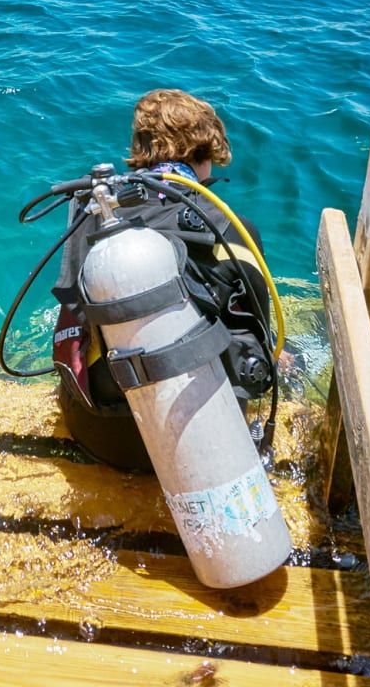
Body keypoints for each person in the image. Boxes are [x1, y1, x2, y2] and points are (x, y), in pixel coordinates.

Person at [47, 89, 276, 471]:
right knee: (286, 358)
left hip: (96, 433)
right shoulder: (230, 227)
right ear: (206, 151)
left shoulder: (94, 210)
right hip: (192, 451)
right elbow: (259, 337)